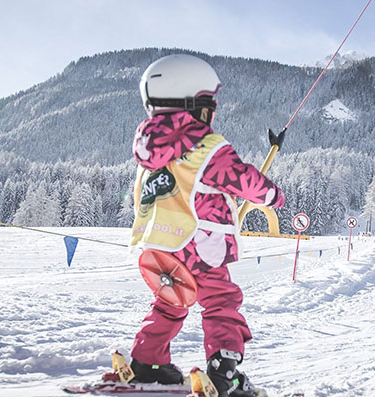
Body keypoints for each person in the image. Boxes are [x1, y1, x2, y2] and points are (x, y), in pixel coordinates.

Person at [124, 54, 284, 397]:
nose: (213, 113)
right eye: (210, 105)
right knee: (221, 302)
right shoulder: (207, 147)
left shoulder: (148, 153)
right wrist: (272, 195)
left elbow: (142, 198)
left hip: (159, 248)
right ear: (194, 107)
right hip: (201, 246)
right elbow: (242, 180)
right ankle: (224, 373)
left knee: (171, 300)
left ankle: (147, 361)